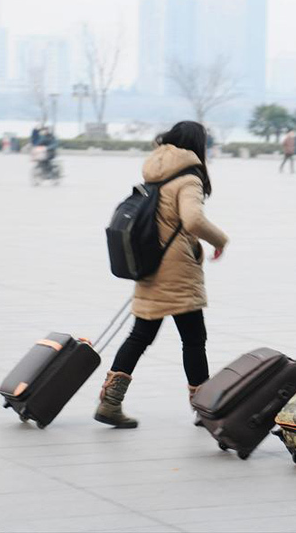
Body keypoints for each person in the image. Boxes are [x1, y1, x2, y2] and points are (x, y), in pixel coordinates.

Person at [95, 121, 229, 428]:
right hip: (177, 269)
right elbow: (193, 220)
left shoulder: (155, 171)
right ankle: (204, 408)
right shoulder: (188, 177)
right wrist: (220, 240)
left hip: (150, 262)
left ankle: (110, 402)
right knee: (194, 339)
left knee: (140, 335)